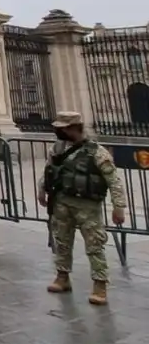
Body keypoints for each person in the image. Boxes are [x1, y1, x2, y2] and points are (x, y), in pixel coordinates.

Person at [39, 111, 127, 306]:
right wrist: (42, 189)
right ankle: (62, 276)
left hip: (87, 206)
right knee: (62, 241)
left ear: (73, 128)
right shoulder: (58, 148)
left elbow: (114, 181)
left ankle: (100, 283)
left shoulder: (96, 151)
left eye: (62, 128)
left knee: (94, 245)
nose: (58, 131)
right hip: (62, 202)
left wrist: (118, 206)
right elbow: (49, 169)